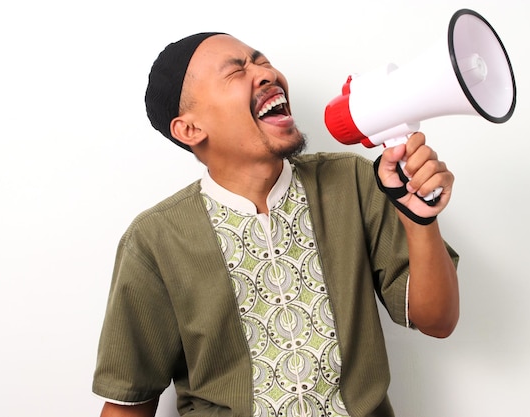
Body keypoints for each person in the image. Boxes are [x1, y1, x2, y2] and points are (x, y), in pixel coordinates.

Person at [93, 32, 459, 417]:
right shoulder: (154, 240)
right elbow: (128, 404)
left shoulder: (353, 181)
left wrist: (420, 219)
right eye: (236, 71)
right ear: (190, 129)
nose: (265, 74)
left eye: (262, 61)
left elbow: (438, 321)